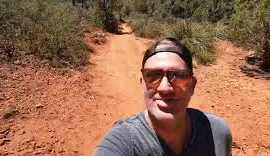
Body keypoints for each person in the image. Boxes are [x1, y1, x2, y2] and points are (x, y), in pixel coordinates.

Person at [94, 38, 232, 156]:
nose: (165, 88)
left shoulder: (217, 132)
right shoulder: (122, 143)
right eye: (153, 76)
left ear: (192, 85)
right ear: (143, 84)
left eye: (178, 76)